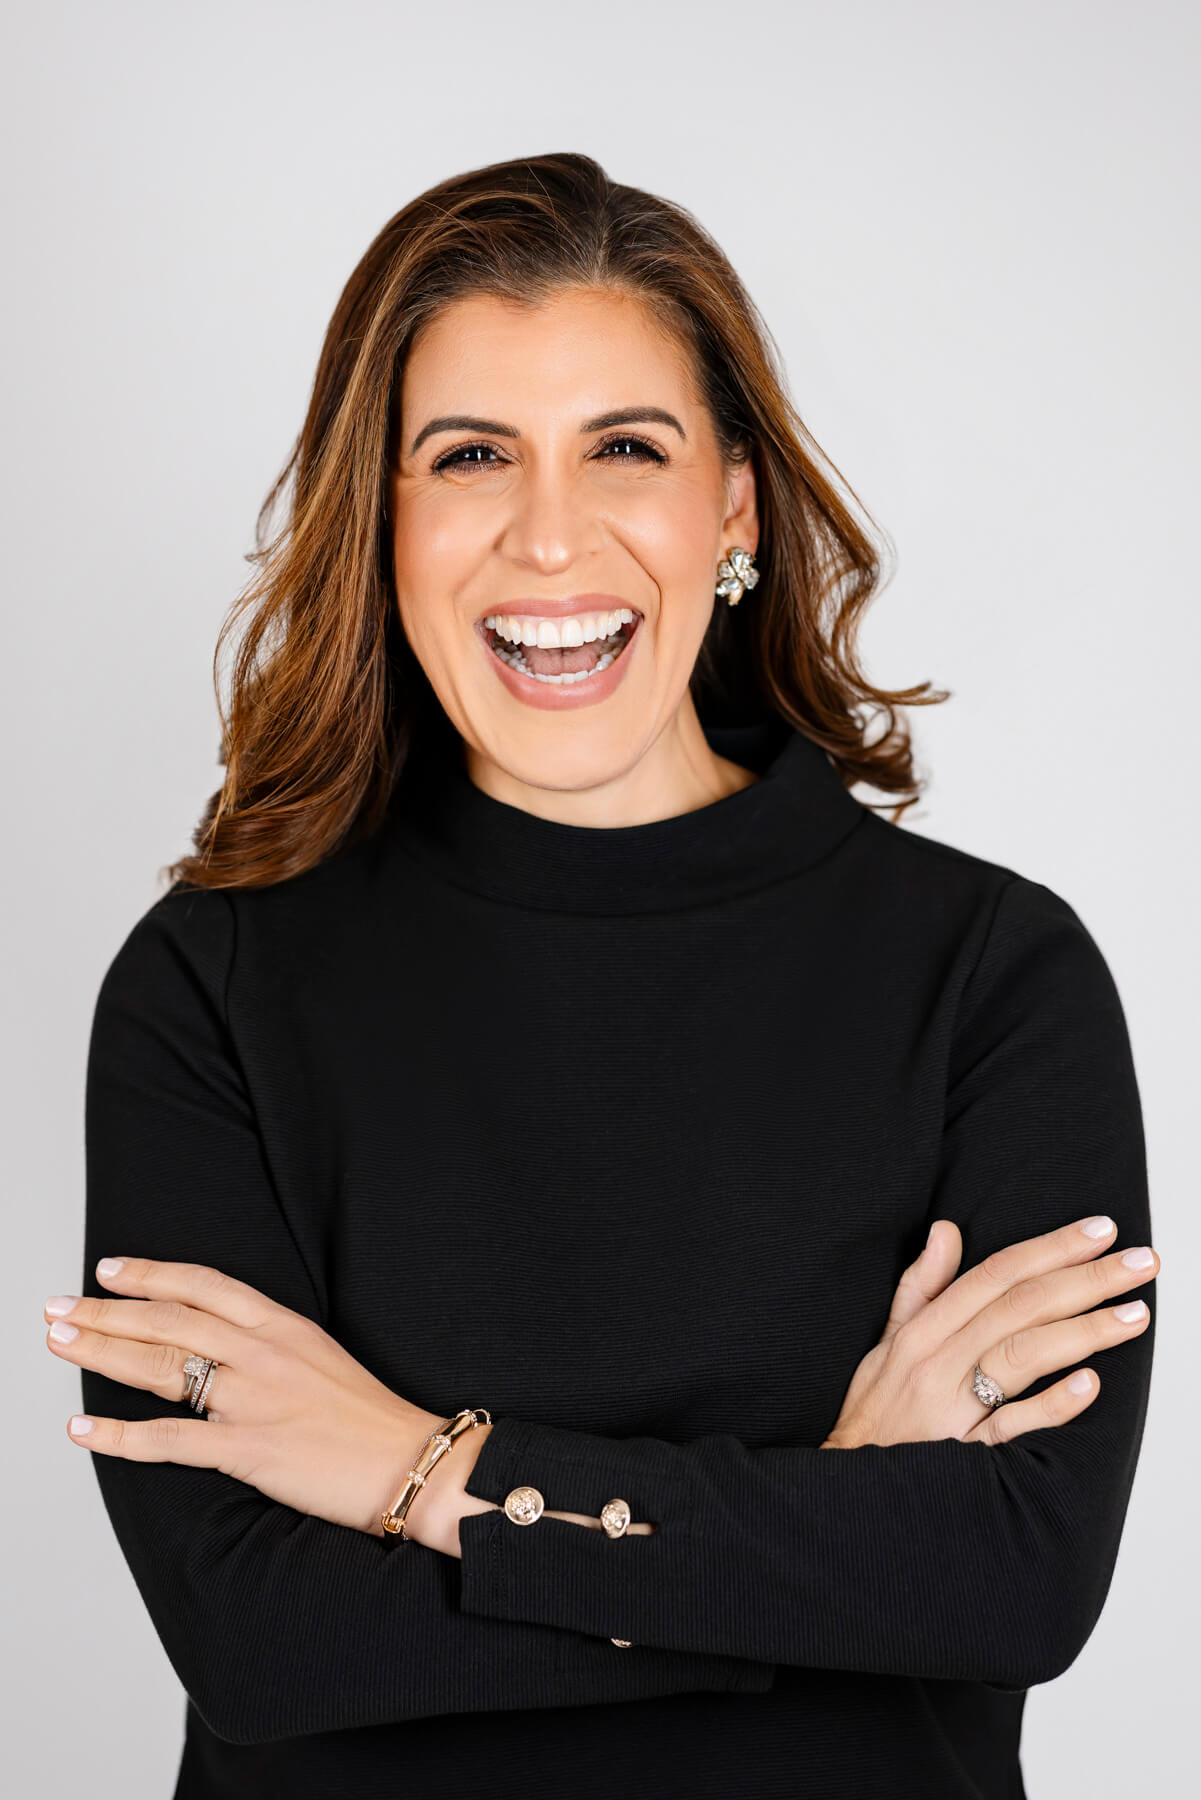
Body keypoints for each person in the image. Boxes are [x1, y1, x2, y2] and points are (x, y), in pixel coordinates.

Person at [46, 152, 1157, 1799]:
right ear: (386, 518)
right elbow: (264, 1640)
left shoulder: (992, 976)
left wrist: (423, 1475)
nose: (548, 536)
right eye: (470, 455)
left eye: (624, 449)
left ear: (733, 508)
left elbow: (1010, 1580)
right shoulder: (210, 983)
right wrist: (832, 1511)